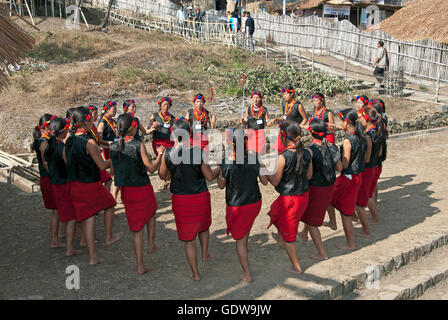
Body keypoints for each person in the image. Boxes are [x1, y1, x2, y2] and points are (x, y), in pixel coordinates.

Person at [158, 119, 220, 281]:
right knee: (204, 226)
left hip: (181, 199)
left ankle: (195, 273)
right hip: (199, 197)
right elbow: (209, 176)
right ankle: (205, 255)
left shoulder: (168, 154)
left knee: (188, 239)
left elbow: (162, 175)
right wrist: (219, 167)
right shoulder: (198, 152)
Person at [64, 107, 122, 265]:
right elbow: (102, 165)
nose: (93, 122)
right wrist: (114, 159)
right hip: (88, 183)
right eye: (90, 120)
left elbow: (65, 159)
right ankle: (95, 253)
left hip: (74, 183)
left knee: (83, 217)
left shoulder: (68, 140)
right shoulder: (89, 142)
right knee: (106, 207)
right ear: (84, 123)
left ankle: (78, 247)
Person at [110, 113, 165, 275]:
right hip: (142, 187)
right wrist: (160, 154)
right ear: (133, 127)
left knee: (136, 228)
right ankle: (151, 245)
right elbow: (152, 168)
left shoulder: (114, 146)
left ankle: (140, 264)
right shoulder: (138, 145)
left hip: (127, 190)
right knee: (151, 213)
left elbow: (113, 170)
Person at [217, 128, 268, 283]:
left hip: (237, 204)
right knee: (245, 228)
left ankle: (247, 274)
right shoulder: (254, 157)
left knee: (239, 240)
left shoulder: (226, 161)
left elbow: (220, 185)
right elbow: (265, 182)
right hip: (254, 202)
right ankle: (245, 244)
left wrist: (220, 171)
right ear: (246, 142)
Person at [266, 120, 313, 274]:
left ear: (284, 137)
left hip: (290, 199)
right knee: (274, 212)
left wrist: (266, 171)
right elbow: (309, 175)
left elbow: (274, 182)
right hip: (303, 195)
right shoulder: (307, 152)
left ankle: (296, 266)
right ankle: (281, 237)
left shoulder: (283, 158)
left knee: (290, 236)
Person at [299, 119, 341, 260]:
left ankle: (322, 253)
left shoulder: (310, 151)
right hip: (329, 185)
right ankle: (304, 234)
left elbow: (309, 174)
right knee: (311, 213)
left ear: (311, 133)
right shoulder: (332, 146)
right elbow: (339, 167)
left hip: (316, 187)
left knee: (312, 223)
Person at [325, 109, 366, 251]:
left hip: (348, 178)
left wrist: (334, 157)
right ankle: (335, 221)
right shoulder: (361, 136)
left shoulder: (348, 141)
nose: (339, 124)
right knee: (343, 208)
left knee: (343, 211)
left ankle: (350, 243)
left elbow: (345, 165)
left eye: (341, 121)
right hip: (357, 176)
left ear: (347, 123)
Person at [45, 116, 80, 257]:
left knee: (58, 213)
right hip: (64, 184)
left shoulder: (50, 144)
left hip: (54, 182)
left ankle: (56, 239)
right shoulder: (61, 147)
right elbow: (69, 164)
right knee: (71, 217)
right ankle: (70, 248)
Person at [32, 113, 64, 248]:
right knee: (56, 211)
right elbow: (47, 164)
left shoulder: (46, 140)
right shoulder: (44, 143)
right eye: (50, 125)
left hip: (48, 178)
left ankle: (59, 235)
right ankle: (54, 240)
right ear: (44, 127)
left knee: (57, 210)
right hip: (49, 179)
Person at [148, 97, 175, 191]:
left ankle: (167, 183)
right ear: (160, 105)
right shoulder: (154, 116)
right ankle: (165, 180)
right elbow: (149, 128)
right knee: (163, 160)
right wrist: (153, 126)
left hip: (170, 142)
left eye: (168, 105)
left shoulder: (172, 118)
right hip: (158, 142)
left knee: (168, 162)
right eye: (164, 104)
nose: (166, 106)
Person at [268, 87, 307, 153]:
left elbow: (305, 118)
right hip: (284, 130)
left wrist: (299, 127)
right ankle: (280, 162)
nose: (284, 96)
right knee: (279, 149)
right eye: (283, 95)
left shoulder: (298, 105)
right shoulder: (285, 104)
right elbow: (285, 116)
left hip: (293, 132)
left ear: (291, 94)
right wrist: (276, 119)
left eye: (286, 94)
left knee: (294, 150)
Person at [86, 104, 113, 191]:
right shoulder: (88, 128)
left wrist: (110, 145)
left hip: (97, 155)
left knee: (106, 180)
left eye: (97, 113)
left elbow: (98, 141)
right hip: (93, 158)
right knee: (107, 179)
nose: (97, 115)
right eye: (95, 113)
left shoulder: (93, 125)